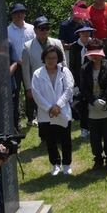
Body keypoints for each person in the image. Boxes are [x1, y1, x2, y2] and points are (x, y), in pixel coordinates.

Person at [31, 44, 74, 176]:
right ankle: (55, 164)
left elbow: (69, 89)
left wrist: (58, 105)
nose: (51, 60)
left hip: (62, 111)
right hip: (46, 113)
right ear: (44, 58)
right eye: (48, 58)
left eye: (54, 58)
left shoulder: (64, 71)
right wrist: (49, 108)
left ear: (58, 58)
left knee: (65, 139)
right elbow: (36, 93)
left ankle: (67, 164)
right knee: (50, 140)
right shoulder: (38, 74)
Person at [80, 41, 107, 170]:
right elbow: (83, 88)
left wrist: (104, 99)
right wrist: (93, 101)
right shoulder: (85, 68)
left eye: (97, 54)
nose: (95, 57)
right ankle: (98, 158)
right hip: (92, 108)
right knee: (95, 137)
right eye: (92, 55)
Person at [21, 16, 63, 126]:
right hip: (39, 83)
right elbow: (25, 69)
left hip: (56, 81)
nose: (44, 31)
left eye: (47, 28)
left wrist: (65, 81)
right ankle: (44, 135)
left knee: (57, 107)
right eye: (41, 28)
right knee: (42, 109)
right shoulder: (27, 46)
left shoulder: (57, 43)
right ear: (35, 30)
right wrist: (28, 88)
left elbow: (64, 65)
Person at [7, 3, 35, 130]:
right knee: (15, 93)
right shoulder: (7, 31)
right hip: (15, 65)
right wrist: (17, 61)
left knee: (32, 90)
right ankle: (16, 121)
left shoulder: (31, 28)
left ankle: (31, 117)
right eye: (16, 13)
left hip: (30, 64)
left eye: (21, 12)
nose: (19, 15)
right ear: (12, 15)